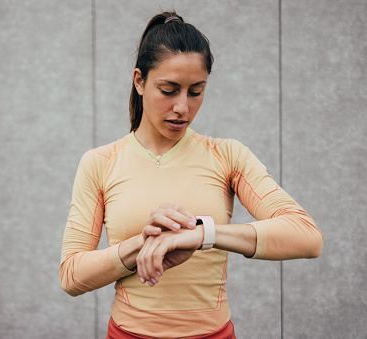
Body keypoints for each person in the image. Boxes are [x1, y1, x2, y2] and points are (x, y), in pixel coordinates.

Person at [60, 11, 323, 339]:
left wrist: (203, 234)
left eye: (195, 91)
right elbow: (71, 276)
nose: (183, 107)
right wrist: (142, 244)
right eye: (169, 90)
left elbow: (307, 237)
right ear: (139, 80)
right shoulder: (100, 162)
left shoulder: (227, 155)